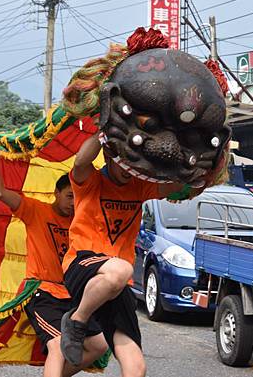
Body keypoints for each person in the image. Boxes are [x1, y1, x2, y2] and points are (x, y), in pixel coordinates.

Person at [60, 133, 186, 377]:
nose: (129, 167)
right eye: (123, 160)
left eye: (134, 161)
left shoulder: (140, 187)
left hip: (117, 283)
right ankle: (77, 321)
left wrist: (197, 160)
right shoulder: (90, 181)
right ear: (108, 156)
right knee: (122, 269)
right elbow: (80, 162)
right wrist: (103, 129)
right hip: (83, 265)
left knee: (136, 367)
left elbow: (178, 186)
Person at [0, 147, 107, 376]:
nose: (74, 203)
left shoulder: (81, 221)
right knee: (58, 344)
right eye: (70, 196)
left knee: (99, 346)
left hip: (73, 296)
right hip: (42, 293)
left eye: (77, 197)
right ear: (56, 193)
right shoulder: (34, 210)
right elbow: (0, 193)